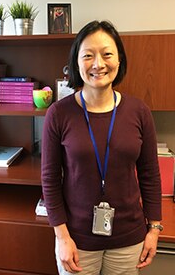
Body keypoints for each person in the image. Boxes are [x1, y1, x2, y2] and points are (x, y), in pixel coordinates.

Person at [41, 20, 162, 275]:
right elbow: (50, 180)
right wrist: (62, 237)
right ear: (76, 62)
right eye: (88, 55)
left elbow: (150, 174)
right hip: (76, 240)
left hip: (129, 240)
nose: (98, 64)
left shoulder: (139, 112)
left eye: (107, 54)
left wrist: (154, 228)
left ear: (119, 60)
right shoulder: (58, 114)